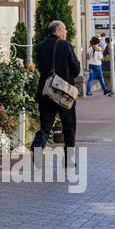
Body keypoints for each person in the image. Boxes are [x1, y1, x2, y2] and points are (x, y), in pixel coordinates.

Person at [31, 20, 81, 159]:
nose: (66, 32)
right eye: (64, 29)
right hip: (64, 93)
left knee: (45, 126)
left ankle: (37, 145)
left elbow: (40, 67)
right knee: (69, 127)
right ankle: (68, 160)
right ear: (57, 31)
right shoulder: (66, 45)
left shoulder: (40, 46)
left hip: (46, 91)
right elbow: (76, 69)